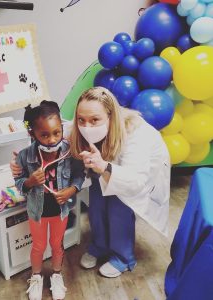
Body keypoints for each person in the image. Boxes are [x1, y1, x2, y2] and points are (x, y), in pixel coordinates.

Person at [69, 87, 170, 278]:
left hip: (133, 175)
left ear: (110, 116)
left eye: (95, 120)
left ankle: (123, 257)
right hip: (102, 166)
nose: (86, 126)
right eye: (81, 119)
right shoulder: (80, 126)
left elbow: (135, 181)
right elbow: (59, 136)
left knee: (118, 209)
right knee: (97, 205)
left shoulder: (136, 135)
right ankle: (99, 245)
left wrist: (105, 167)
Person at [14, 100, 85, 300]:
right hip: (37, 210)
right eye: (44, 135)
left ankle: (56, 275)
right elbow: (18, 182)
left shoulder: (70, 152)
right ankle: (36, 277)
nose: (52, 139)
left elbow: (80, 176)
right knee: (38, 245)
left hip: (60, 210)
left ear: (62, 128)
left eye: (56, 132)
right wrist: (29, 181)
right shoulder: (24, 156)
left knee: (56, 244)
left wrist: (71, 190)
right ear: (33, 134)